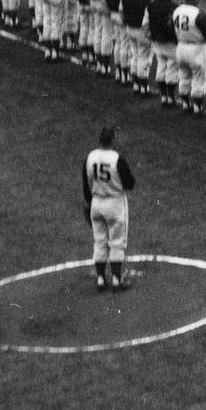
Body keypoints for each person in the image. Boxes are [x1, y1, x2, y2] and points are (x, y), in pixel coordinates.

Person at [83, 125, 137, 293]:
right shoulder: (117, 159)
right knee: (117, 242)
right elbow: (130, 184)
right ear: (113, 140)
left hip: (96, 203)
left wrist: (88, 202)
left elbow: (86, 183)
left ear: (100, 140)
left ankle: (100, 279)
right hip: (114, 204)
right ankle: (116, 279)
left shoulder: (90, 157)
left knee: (99, 241)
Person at [172, 0, 206, 113]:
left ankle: (185, 104)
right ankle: (198, 108)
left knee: (183, 76)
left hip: (180, 47)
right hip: (196, 49)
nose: (198, 0)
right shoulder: (198, 14)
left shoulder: (176, 10)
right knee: (199, 78)